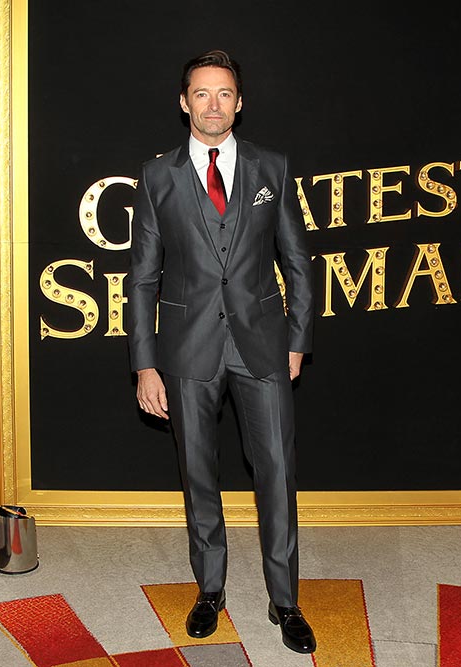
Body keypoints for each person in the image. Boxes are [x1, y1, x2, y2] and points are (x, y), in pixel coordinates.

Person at [126, 50, 316, 654]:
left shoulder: (272, 168)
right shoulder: (157, 177)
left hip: (263, 347)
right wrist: (145, 364)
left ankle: (285, 600)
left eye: (225, 93)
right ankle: (210, 589)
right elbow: (142, 279)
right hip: (187, 351)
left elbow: (298, 262)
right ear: (184, 102)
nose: (214, 104)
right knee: (198, 474)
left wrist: (298, 340)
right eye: (202, 93)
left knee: (277, 472)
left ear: (240, 102)